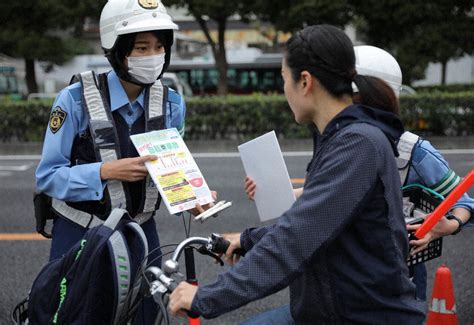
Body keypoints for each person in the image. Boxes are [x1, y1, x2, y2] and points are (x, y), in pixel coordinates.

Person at [169, 24, 426, 323]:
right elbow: (315, 218)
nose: (284, 90)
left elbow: (296, 239)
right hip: (332, 307)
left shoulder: (358, 145)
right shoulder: (339, 137)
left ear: (304, 81)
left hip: (362, 314)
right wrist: (248, 240)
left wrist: (206, 297)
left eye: (283, 80)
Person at [245, 45, 473, 303]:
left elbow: (464, 202)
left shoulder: (413, 151)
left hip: (400, 274)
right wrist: (276, 191)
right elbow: (324, 195)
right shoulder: (338, 142)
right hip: (348, 275)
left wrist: (447, 226)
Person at [35, 0, 209, 323]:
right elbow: (48, 176)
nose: (152, 56)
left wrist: (192, 197)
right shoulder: (73, 100)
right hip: (80, 229)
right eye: (141, 47)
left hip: (142, 230)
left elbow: (171, 168)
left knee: (148, 312)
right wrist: (104, 171)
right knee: (75, 312)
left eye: (159, 46)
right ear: (116, 50)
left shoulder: (172, 104)